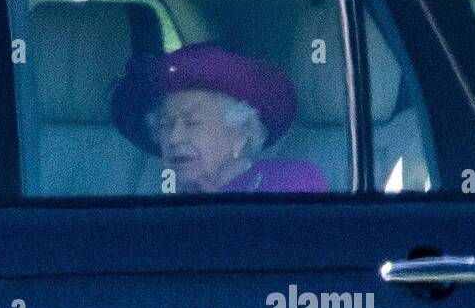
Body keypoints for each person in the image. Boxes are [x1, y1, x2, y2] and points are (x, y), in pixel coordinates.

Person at [111, 42, 326, 194]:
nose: (174, 138)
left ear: (239, 133)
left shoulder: (289, 185)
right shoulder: (151, 193)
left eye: (192, 122)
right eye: (165, 124)